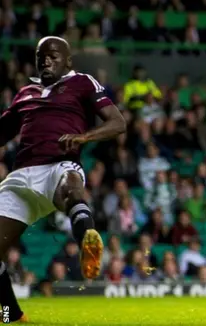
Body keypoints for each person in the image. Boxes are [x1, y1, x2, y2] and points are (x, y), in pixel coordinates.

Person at [0, 36, 127, 322]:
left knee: (70, 185)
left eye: (53, 55)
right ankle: (11, 314)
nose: (46, 60)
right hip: (20, 178)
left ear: (68, 60)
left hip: (59, 165)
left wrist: (85, 136)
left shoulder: (82, 82)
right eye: (41, 56)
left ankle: (87, 239)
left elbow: (118, 122)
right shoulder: (25, 93)